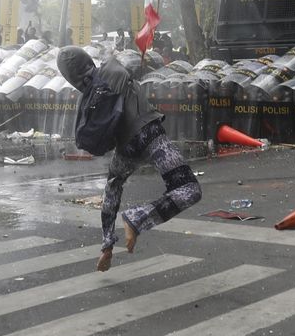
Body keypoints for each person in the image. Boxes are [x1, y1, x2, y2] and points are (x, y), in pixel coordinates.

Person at [57, 46, 202, 272]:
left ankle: (107, 244)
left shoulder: (86, 103)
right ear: (87, 60)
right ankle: (138, 218)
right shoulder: (111, 69)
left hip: (126, 148)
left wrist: (108, 244)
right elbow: (129, 67)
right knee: (189, 189)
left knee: (113, 187)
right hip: (149, 133)